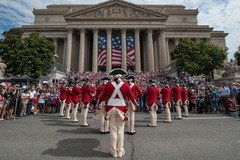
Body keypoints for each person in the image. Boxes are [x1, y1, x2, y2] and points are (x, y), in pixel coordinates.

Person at [96, 68, 138, 158]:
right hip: (121, 109)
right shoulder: (126, 85)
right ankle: (120, 149)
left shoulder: (108, 85)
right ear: (121, 76)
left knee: (113, 130)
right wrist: (135, 104)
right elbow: (131, 96)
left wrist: (98, 104)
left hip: (111, 108)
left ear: (113, 76)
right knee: (120, 130)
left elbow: (102, 96)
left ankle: (113, 150)